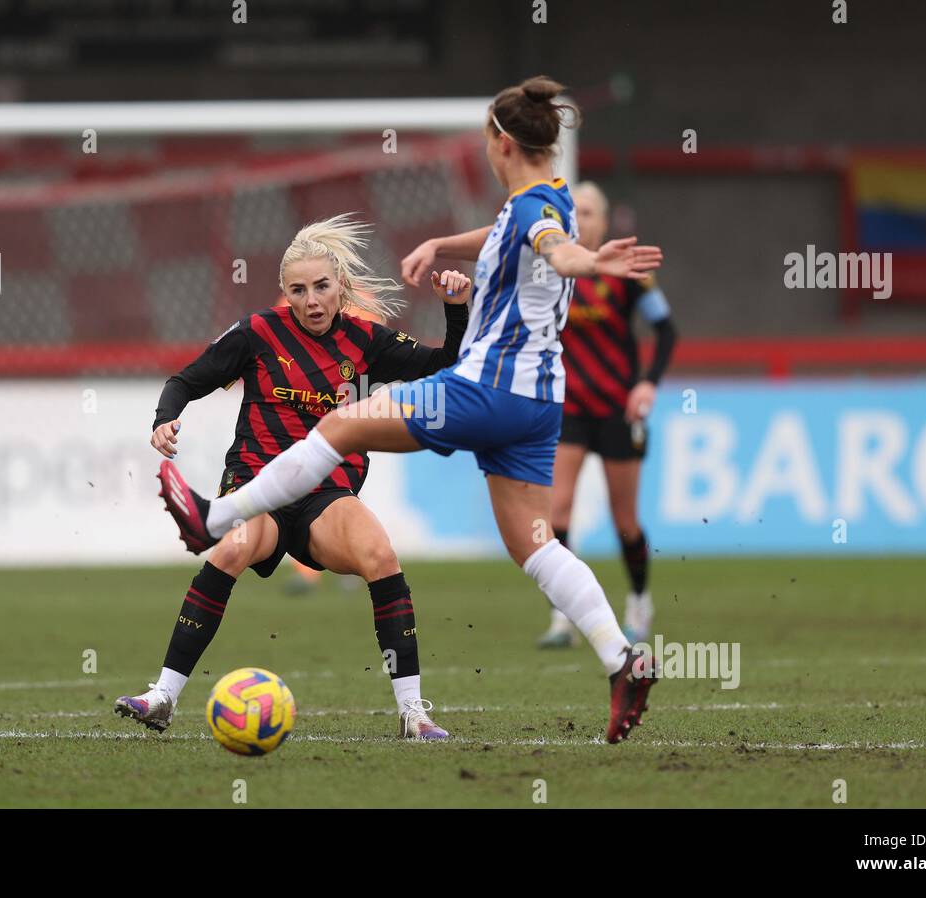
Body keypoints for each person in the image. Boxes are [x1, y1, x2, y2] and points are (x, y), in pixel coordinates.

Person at [156, 76, 664, 744]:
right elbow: (521, 228)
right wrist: (445, 246)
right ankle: (620, 658)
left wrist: (586, 262)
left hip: (487, 386)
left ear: (500, 142)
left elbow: (550, 247)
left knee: (339, 423)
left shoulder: (540, 215)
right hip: (542, 401)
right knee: (535, 546)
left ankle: (212, 517)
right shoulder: (555, 195)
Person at [115, 214, 471, 740]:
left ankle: (413, 712)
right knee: (231, 549)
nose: (311, 300)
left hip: (324, 494)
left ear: (341, 288)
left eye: (322, 287)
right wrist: (164, 417)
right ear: (284, 293)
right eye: (298, 289)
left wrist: (455, 308)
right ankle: (163, 695)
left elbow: (446, 364)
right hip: (256, 484)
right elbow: (186, 380)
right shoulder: (257, 333)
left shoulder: (366, 342)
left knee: (381, 556)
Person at [537, 182, 678, 649]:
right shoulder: (553, 269)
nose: (583, 217)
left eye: (591, 210)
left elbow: (666, 330)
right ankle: (562, 616)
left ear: (604, 218)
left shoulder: (629, 270)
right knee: (556, 513)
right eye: (575, 210)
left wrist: (647, 383)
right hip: (570, 409)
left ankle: (638, 601)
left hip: (618, 409)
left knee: (625, 522)